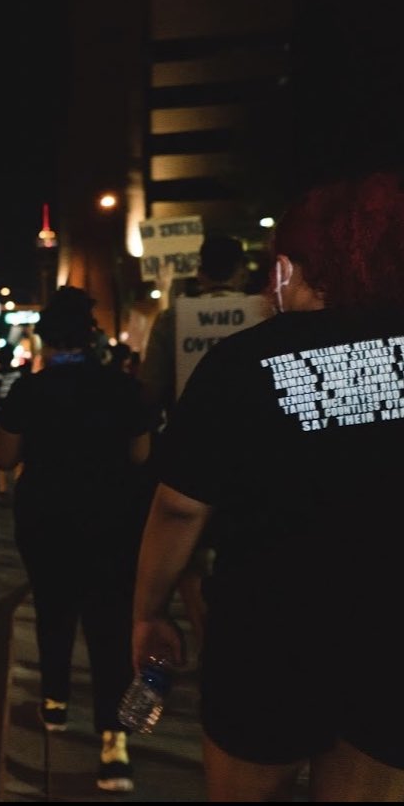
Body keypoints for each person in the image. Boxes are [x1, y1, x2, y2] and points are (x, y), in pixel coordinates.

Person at [130, 170, 404, 801]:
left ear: (285, 270)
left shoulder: (241, 362)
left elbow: (177, 509)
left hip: (267, 637)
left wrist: (148, 612)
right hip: (390, 639)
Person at [0, 285, 152, 793]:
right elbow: (143, 456)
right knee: (109, 626)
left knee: (54, 608)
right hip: (111, 523)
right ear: (92, 335)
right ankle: (113, 745)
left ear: (44, 339)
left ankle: (56, 700)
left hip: (45, 521)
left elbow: (3, 457)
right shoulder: (122, 388)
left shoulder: (30, 391)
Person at [136, 233, 253, 654]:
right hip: (261, 452)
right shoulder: (265, 312)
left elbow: (149, 390)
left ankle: (212, 642)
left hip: (198, 450)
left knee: (194, 560)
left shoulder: (174, 319)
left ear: (200, 272)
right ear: (241, 271)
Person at [0, 346, 26, 497]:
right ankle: (18, 483)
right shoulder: (21, 373)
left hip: (1, 416)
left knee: (0, 452)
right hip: (22, 416)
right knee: (21, 452)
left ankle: (2, 487)